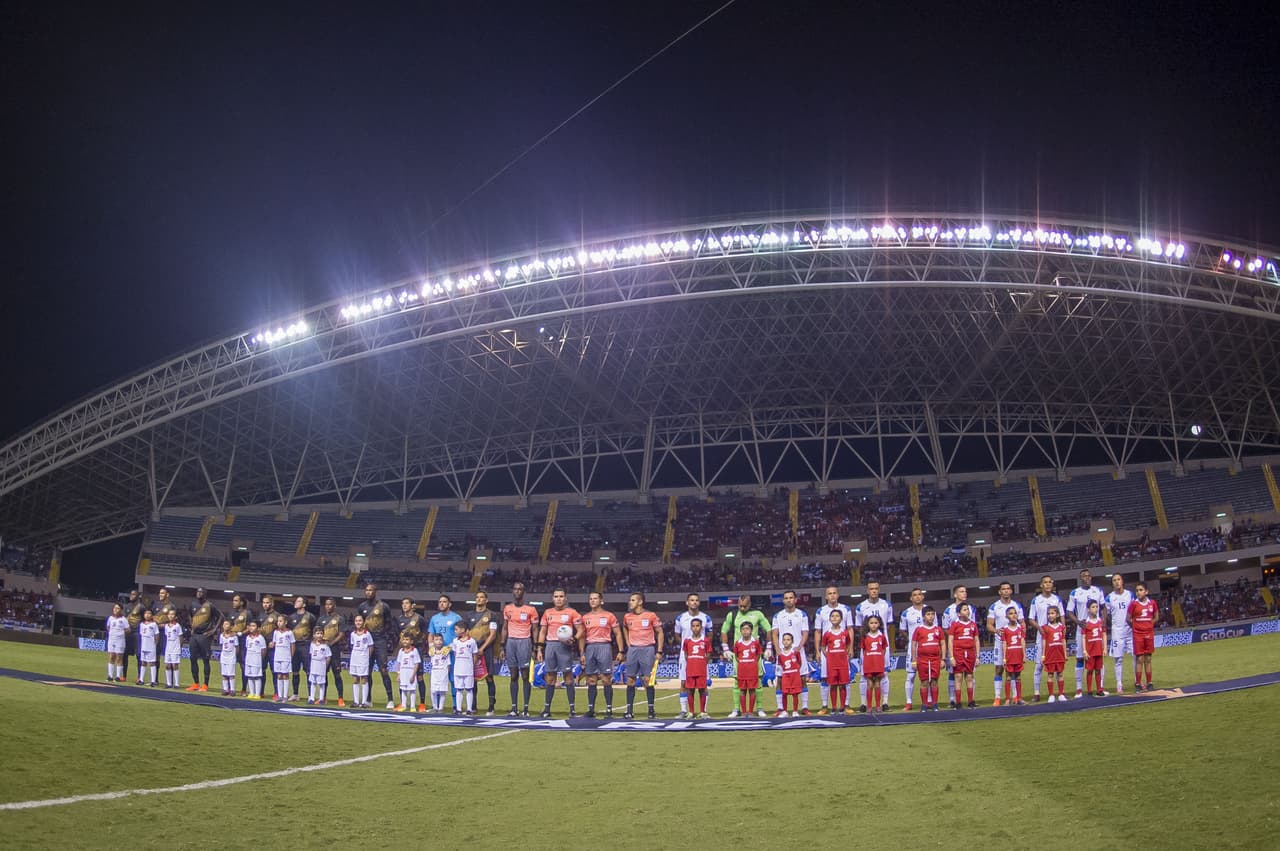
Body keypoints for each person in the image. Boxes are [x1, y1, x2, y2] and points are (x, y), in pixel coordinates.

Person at [720, 593, 771, 714]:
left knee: (757, 682)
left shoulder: (758, 614)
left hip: (754, 655)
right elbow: (724, 630)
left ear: (750, 604)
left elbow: (768, 629)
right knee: (737, 682)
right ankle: (737, 709)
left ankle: (759, 709)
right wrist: (725, 648)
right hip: (739, 655)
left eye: (745, 606)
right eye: (740, 606)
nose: (742, 608)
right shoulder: (732, 615)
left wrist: (769, 647)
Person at [537, 588, 582, 717]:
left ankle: (572, 709)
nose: (558, 599)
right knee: (550, 678)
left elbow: (580, 630)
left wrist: (575, 638)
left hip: (565, 647)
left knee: (568, 677)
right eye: (556, 596)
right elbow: (542, 632)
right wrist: (539, 649)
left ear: (565, 598)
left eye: (561, 596)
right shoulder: (547, 613)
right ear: (553, 598)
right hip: (550, 645)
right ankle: (547, 709)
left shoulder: (572, 612)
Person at [579, 591, 622, 718]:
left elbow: (618, 633)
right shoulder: (585, 617)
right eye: (590, 599)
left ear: (601, 600)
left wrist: (620, 651)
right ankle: (591, 709)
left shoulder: (609, 616)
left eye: (595, 598)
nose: (592, 601)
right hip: (590, 647)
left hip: (604, 646)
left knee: (605, 679)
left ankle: (609, 709)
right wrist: (582, 653)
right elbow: (582, 637)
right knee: (591, 679)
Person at [622, 592, 663, 719]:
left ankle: (651, 710)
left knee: (647, 680)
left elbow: (660, 632)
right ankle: (629, 710)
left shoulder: (651, 615)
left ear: (640, 602)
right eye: (630, 600)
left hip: (647, 649)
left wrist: (659, 651)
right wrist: (628, 643)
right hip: (633, 650)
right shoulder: (627, 617)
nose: (630, 602)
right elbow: (624, 628)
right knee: (630, 679)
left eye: (633, 600)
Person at [813, 586, 853, 714]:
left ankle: (845, 705)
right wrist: (818, 651)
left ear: (838, 595)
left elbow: (850, 629)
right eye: (829, 593)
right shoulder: (821, 611)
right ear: (826, 596)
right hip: (828, 652)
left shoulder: (845, 609)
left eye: (834, 593)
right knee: (826, 678)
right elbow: (818, 631)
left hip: (842, 652)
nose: (832, 595)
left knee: (844, 679)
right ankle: (825, 706)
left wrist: (850, 648)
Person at [356, 583, 397, 709]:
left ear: (375, 592)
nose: (368, 592)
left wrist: (382, 634)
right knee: (366, 671)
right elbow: (360, 624)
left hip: (380, 641)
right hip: (366, 641)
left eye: (370, 590)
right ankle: (368, 700)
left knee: (383, 670)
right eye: (366, 590)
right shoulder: (361, 607)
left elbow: (389, 623)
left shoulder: (383, 606)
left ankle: (390, 699)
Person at [500, 582, 538, 716]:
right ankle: (514, 708)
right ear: (513, 591)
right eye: (515, 589)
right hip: (511, 642)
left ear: (523, 592)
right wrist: (502, 646)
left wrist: (535, 647)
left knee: (525, 676)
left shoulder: (531, 609)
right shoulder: (507, 608)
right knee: (513, 675)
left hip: (524, 642)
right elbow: (504, 628)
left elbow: (534, 629)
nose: (517, 591)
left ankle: (526, 708)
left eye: (520, 589)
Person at [1066, 569, 1106, 698]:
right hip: (1082, 630)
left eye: (1089, 576)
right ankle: (1079, 689)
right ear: (1080, 578)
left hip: (1096, 628)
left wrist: (1103, 622)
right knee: (1080, 658)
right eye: (1084, 576)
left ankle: (1101, 687)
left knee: (1099, 658)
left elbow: (1104, 607)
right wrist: (1078, 622)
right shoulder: (1075, 593)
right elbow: (1069, 612)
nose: (1087, 578)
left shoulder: (1098, 590)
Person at [770, 590, 811, 715]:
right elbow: (775, 634)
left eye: (791, 597)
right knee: (780, 680)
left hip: (798, 652)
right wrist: (777, 649)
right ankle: (780, 708)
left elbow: (805, 632)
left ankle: (804, 707)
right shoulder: (778, 616)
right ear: (783, 600)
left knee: (802, 679)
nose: (789, 600)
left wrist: (799, 646)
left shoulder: (802, 615)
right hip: (783, 653)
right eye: (786, 598)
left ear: (795, 599)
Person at [855, 581, 893, 711]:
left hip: (882, 645)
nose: (874, 591)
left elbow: (887, 625)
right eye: (871, 589)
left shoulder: (886, 605)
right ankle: (864, 703)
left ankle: (884, 702)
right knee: (864, 675)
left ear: (879, 589)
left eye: (876, 588)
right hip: (867, 646)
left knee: (884, 673)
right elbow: (860, 627)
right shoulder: (860, 607)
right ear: (867, 590)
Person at [673, 593, 713, 717]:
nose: (694, 602)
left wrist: (703, 648)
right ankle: (684, 711)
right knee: (684, 683)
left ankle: (703, 711)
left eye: (696, 600)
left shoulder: (706, 618)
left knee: (703, 684)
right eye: (691, 600)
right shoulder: (680, 618)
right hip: (685, 656)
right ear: (687, 602)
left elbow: (710, 634)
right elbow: (677, 635)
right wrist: (688, 647)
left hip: (701, 656)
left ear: (699, 602)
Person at [1026, 575, 1065, 702]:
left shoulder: (1057, 599)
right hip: (1042, 637)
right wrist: (1039, 628)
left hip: (1056, 637)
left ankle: (1060, 693)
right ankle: (1037, 693)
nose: (1048, 584)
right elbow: (1031, 619)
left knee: (1059, 667)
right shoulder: (1036, 600)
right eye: (1045, 582)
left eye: (1050, 582)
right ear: (1041, 585)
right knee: (1039, 665)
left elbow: (1062, 616)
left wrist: (1063, 628)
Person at [986, 582, 1025, 707]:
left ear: (1011, 591)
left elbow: (1022, 622)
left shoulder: (1017, 605)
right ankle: (997, 697)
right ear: (1000, 592)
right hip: (1000, 642)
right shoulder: (994, 606)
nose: (1006, 591)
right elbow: (989, 625)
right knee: (999, 669)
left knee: (1015, 671)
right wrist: (996, 630)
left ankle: (1015, 697)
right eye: (1004, 589)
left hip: (1014, 644)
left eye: (1008, 589)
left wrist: (1022, 634)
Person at [463, 590, 500, 715]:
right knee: (472, 678)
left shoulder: (492, 615)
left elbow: (493, 634)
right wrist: (472, 648)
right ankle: (473, 706)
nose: (479, 599)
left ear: (486, 600)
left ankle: (491, 707)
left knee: (489, 677)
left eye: (481, 597)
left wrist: (482, 648)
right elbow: (466, 633)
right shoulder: (468, 615)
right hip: (472, 651)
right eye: (477, 597)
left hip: (486, 649)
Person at [429, 595, 463, 707]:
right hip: (438, 654)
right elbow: (431, 634)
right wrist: (431, 647)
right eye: (440, 602)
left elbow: (461, 634)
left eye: (444, 602)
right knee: (438, 679)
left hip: (452, 653)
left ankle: (455, 705)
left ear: (449, 604)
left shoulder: (456, 618)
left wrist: (451, 646)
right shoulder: (434, 618)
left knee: (453, 679)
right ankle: (438, 706)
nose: (441, 604)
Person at [186, 588, 223, 692]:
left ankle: (205, 684)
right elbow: (189, 614)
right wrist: (191, 626)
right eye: (198, 592)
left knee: (205, 660)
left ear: (205, 594)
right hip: (194, 636)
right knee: (193, 659)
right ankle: (195, 683)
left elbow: (221, 616)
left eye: (201, 592)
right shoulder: (193, 604)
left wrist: (214, 630)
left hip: (205, 636)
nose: (199, 593)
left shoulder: (209, 605)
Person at [396, 597, 428, 711]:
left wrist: (420, 644)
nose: (404, 605)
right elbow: (397, 633)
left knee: (419, 676)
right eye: (402, 603)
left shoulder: (419, 618)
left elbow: (425, 632)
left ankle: (422, 703)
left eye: (406, 603)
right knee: (403, 677)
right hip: (404, 649)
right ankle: (403, 703)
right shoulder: (399, 619)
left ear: (412, 605)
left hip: (417, 649)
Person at [897, 588, 927, 711]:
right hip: (913, 648)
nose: (917, 597)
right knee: (910, 676)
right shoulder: (906, 613)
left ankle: (928, 701)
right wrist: (912, 639)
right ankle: (909, 702)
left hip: (927, 647)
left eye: (920, 594)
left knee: (927, 676)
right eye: (915, 595)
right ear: (911, 598)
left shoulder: (929, 611)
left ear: (923, 597)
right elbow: (902, 630)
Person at [909, 607, 944, 712]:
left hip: (935, 659)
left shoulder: (938, 629)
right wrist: (914, 660)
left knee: (934, 681)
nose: (931, 616)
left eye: (932, 614)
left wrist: (943, 659)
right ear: (923, 616)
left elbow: (943, 643)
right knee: (924, 682)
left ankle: (935, 704)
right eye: (928, 614)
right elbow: (914, 644)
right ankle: (924, 705)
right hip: (923, 660)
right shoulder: (919, 629)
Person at [941, 584, 970, 707]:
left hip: (968, 647)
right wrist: (956, 637)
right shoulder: (948, 610)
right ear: (955, 594)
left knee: (969, 672)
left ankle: (970, 700)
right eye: (961, 591)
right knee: (952, 672)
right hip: (954, 646)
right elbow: (945, 628)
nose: (964, 593)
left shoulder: (970, 609)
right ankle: (952, 699)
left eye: (965, 591)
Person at [820, 608, 853, 714]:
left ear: (841, 619)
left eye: (837, 616)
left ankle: (842, 707)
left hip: (843, 663)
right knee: (833, 685)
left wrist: (845, 654)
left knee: (843, 685)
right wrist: (828, 656)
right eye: (832, 616)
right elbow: (823, 647)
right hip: (832, 664)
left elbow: (848, 644)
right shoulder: (827, 634)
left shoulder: (845, 633)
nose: (835, 618)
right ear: (829, 619)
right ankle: (834, 707)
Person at [1106, 573, 1134, 694]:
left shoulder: (1130, 594)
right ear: (1112, 583)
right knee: (1118, 660)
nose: (1117, 582)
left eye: (1118, 579)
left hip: (1130, 631)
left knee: (1136, 656)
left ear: (1122, 581)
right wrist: (1113, 625)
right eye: (1114, 580)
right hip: (1117, 632)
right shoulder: (1109, 598)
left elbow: (1134, 610)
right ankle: (1119, 684)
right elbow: (1105, 615)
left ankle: (1137, 681)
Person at [1127, 583, 1159, 692]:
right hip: (1138, 635)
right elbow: (1128, 619)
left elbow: (1156, 616)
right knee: (1139, 659)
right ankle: (1138, 683)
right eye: (1137, 590)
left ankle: (1149, 682)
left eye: (1141, 590)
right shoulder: (1133, 604)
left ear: (1146, 591)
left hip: (1149, 634)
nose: (1138, 592)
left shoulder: (1152, 603)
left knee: (1148, 658)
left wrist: (1150, 625)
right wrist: (1136, 627)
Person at [947, 602, 980, 708]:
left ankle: (971, 701)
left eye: (968, 609)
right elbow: (950, 640)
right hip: (958, 653)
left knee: (969, 676)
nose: (967, 611)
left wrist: (978, 656)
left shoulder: (973, 624)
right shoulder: (955, 624)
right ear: (959, 613)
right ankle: (958, 702)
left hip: (970, 653)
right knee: (958, 676)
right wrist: (951, 656)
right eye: (965, 609)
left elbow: (976, 640)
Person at [731, 621, 765, 718]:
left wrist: (752, 662)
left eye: (747, 629)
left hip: (752, 670)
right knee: (742, 691)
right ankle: (744, 712)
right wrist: (743, 662)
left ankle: (750, 711)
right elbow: (736, 656)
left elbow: (758, 655)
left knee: (752, 690)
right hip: (742, 670)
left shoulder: (756, 642)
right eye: (743, 629)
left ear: (751, 631)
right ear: (741, 631)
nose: (745, 631)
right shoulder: (738, 643)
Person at [317, 597, 346, 707]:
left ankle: (340, 698)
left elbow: (341, 634)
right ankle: (323, 697)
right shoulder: (321, 619)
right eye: (326, 604)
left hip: (334, 649)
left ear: (334, 606)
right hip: (323, 649)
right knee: (323, 674)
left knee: (337, 674)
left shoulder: (339, 618)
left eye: (330, 604)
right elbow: (317, 633)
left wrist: (332, 643)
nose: (328, 606)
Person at [681, 618, 711, 719]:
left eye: (697, 625)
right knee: (690, 690)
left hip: (701, 669)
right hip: (690, 669)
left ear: (701, 627)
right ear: (691, 627)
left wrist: (701, 663)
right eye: (693, 626)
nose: (695, 628)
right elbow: (686, 654)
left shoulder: (705, 640)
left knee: (702, 690)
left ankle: (702, 711)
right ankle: (691, 712)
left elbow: (708, 654)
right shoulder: (687, 641)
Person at [287, 596, 316, 702]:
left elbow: (314, 630)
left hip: (306, 645)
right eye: (296, 601)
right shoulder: (291, 617)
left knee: (308, 671)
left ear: (304, 604)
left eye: (299, 601)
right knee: (295, 671)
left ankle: (310, 695)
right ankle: (295, 694)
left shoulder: (310, 617)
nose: (296, 602)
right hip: (294, 645)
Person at [860, 615, 890, 713]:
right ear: (868, 624)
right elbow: (863, 651)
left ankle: (878, 706)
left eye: (875, 623)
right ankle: (869, 706)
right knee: (869, 684)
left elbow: (884, 649)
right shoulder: (865, 637)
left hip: (878, 663)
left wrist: (879, 657)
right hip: (869, 664)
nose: (873, 625)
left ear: (879, 624)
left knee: (877, 684)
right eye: (871, 623)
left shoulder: (881, 636)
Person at [226, 593, 254, 694]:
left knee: (243, 665)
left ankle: (244, 689)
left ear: (241, 602)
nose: (234, 602)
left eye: (236, 600)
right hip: (232, 643)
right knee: (229, 665)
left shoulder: (247, 613)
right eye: (233, 600)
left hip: (243, 642)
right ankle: (229, 688)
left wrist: (240, 633)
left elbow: (251, 627)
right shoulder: (231, 613)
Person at [1039, 605, 1068, 702]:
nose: (1050, 616)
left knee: (1060, 674)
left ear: (1057, 614)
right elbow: (1044, 642)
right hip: (1050, 654)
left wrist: (1065, 653)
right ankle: (1051, 695)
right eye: (1048, 614)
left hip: (1059, 654)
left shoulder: (1062, 627)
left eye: (1052, 613)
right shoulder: (1045, 628)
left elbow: (1063, 640)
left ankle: (1061, 694)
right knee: (1050, 674)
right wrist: (1043, 655)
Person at [999, 608, 1026, 705]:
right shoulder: (1005, 629)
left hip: (1018, 654)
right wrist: (1004, 657)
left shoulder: (1020, 628)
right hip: (1010, 655)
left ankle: (1019, 698)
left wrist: (1024, 654)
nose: (1013, 615)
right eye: (1011, 614)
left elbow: (1022, 641)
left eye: (1015, 613)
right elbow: (1004, 643)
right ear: (1007, 616)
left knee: (1018, 677)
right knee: (1008, 677)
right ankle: (1007, 699)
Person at [347, 614, 375, 708]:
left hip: (363, 659)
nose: (358, 622)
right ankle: (355, 701)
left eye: (360, 621)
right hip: (355, 658)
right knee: (355, 679)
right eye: (356, 621)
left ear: (363, 622)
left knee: (364, 680)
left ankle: (364, 702)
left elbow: (371, 646)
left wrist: (367, 657)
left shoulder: (367, 634)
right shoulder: (353, 634)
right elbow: (352, 645)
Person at [256, 595, 282, 697]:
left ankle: (276, 693)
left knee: (274, 670)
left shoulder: (276, 616)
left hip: (272, 647)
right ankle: (260, 692)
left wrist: (274, 641)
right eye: (264, 602)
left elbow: (280, 630)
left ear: (272, 603)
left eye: (267, 602)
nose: (265, 604)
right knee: (261, 669)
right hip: (262, 646)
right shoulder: (260, 615)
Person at [775, 633, 806, 717]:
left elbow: (799, 662)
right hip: (786, 675)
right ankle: (784, 711)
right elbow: (780, 664)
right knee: (784, 693)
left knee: (795, 694)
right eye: (784, 640)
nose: (786, 642)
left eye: (788, 640)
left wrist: (795, 671)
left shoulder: (795, 652)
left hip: (794, 675)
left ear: (792, 642)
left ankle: (795, 711)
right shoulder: (780, 654)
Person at [1081, 600, 1107, 697]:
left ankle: (1099, 689)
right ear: (1088, 609)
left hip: (1098, 650)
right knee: (1090, 670)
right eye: (1093, 607)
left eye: (1096, 607)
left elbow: (1104, 634)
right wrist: (1084, 650)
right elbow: (1083, 637)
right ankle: (1089, 690)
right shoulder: (1086, 623)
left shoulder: (1100, 621)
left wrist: (1104, 648)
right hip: (1090, 650)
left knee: (1098, 670)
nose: (1095, 609)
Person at [451, 621, 478, 715]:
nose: (455, 631)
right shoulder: (455, 641)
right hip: (458, 669)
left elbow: (475, 655)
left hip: (468, 669)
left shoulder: (472, 641)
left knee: (469, 689)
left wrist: (472, 665)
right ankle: (458, 709)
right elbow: (455, 654)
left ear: (462, 630)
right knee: (459, 689)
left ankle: (469, 709)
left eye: (456, 629)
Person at [123, 589, 148, 683]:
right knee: (124, 654)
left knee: (139, 655)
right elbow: (125, 619)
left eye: (133, 594)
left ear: (138, 596)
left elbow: (144, 619)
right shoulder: (127, 606)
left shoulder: (141, 607)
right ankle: (123, 675)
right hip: (128, 633)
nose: (131, 596)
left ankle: (139, 677)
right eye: (131, 594)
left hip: (137, 633)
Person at [270, 613, 295, 702]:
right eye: (278, 621)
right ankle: (279, 696)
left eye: (281, 621)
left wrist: (291, 656)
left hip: (286, 656)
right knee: (279, 675)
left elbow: (292, 644)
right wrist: (272, 644)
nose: (279, 623)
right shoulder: (276, 632)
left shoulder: (289, 632)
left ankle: (285, 696)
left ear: (285, 622)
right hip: (277, 656)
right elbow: (274, 643)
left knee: (285, 675)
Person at [152, 587, 180, 667]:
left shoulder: (171, 606)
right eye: (160, 593)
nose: (160, 595)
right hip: (156, 632)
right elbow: (151, 617)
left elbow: (175, 620)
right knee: (155, 655)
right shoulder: (155, 605)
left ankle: (170, 679)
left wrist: (166, 625)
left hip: (167, 633)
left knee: (168, 656)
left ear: (167, 594)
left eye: (163, 593)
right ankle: (155, 678)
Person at [394, 635, 421, 711]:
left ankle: (412, 706)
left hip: (410, 672)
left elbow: (416, 664)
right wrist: (399, 674)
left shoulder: (414, 651)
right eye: (404, 639)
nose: (405, 641)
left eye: (407, 639)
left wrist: (413, 675)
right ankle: (403, 705)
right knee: (403, 690)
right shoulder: (401, 651)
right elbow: (399, 663)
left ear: (411, 641)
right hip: (403, 672)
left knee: (412, 690)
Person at [243, 620, 267, 700]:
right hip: (249, 658)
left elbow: (263, 650)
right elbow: (247, 648)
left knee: (256, 676)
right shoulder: (248, 637)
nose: (251, 628)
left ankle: (257, 693)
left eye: (253, 626)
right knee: (250, 676)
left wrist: (260, 658)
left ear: (258, 628)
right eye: (250, 626)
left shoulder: (260, 638)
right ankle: (251, 692)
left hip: (256, 658)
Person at [105, 603, 129, 682]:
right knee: (111, 657)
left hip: (120, 640)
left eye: (118, 608)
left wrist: (121, 633)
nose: (115, 610)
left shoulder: (123, 619)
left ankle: (118, 676)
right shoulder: (110, 618)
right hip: (111, 639)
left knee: (119, 657)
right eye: (115, 608)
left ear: (121, 610)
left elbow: (128, 629)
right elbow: (108, 627)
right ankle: (110, 675)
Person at [308, 630, 332, 705]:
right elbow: (311, 654)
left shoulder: (325, 646)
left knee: (321, 683)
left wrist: (325, 666)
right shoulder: (312, 644)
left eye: (321, 633)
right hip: (314, 664)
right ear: (314, 635)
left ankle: (321, 699)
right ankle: (312, 698)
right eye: (317, 633)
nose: (319, 635)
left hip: (321, 665)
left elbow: (328, 657)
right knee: (313, 682)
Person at [137, 609, 160, 687]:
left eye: (149, 613)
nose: (147, 615)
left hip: (151, 646)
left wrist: (155, 644)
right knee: (143, 662)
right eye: (146, 613)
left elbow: (157, 635)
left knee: (152, 663)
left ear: (152, 615)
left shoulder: (154, 624)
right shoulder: (141, 624)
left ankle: (153, 681)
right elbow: (141, 635)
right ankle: (141, 679)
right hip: (144, 646)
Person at [428, 634, 451, 711]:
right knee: (433, 690)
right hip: (434, 672)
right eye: (436, 640)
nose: (439, 642)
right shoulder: (431, 650)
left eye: (440, 640)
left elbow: (448, 663)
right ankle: (434, 707)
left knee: (442, 691)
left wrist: (447, 673)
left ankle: (440, 708)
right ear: (433, 641)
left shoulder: (446, 650)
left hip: (443, 672)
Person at [163, 611, 184, 688]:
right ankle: (168, 683)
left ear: (175, 616)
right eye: (169, 614)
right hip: (168, 648)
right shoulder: (166, 626)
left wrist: (179, 647)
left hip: (175, 648)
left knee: (175, 665)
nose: (171, 616)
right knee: (167, 665)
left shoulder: (177, 626)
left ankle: (176, 683)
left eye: (173, 614)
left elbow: (181, 637)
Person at [218, 621, 239, 696]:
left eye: (227, 624)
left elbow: (237, 647)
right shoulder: (221, 636)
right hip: (224, 657)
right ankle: (225, 689)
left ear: (231, 626)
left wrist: (234, 656)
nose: (225, 626)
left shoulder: (234, 636)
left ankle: (232, 690)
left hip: (231, 657)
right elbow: (221, 645)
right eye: (224, 624)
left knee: (231, 674)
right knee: (224, 674)